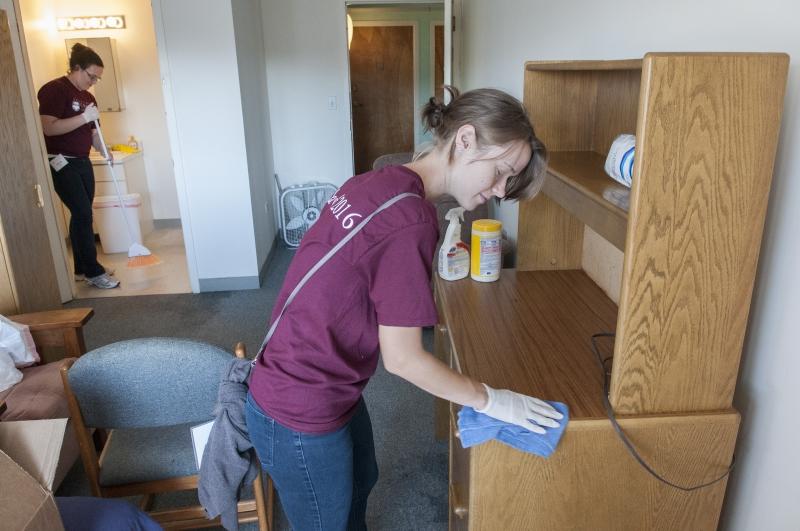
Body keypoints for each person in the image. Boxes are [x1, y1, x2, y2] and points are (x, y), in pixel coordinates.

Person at [246, 86, 562, 530]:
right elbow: (403, 359)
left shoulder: (376, 181)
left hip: (310, 380)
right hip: (300, 405)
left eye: (509, 182)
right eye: (501, 171)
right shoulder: (411, 219)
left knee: (360, 484)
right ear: (465, 140)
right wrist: (492, 400)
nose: (499, 188)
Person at [38, 43, 119, 289]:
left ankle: (82, 268)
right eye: (90, 75)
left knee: (82, 215)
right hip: (61, 161)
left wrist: (105, 150)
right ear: (76, 68)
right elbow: (48, 127)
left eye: (97, 78)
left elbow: (94, 133)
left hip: (83, 160)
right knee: (83, 214)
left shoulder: (88, 97)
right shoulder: (54, 90)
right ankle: (95, 272)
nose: (93, 81)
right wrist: (83, 117)